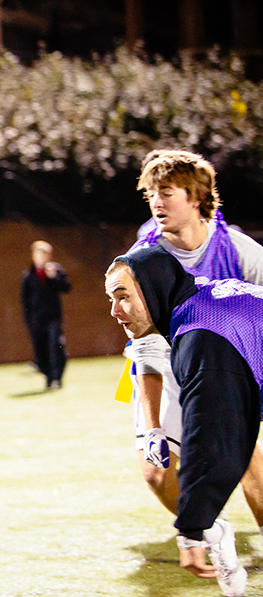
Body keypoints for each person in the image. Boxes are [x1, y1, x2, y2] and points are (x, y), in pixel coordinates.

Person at [123, 150, 263, 596]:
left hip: (230, 355)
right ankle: (204, 530)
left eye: (166, 193)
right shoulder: (143, 259)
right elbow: (142, 350)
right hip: (164, 360)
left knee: (246, 458)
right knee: (156, 467)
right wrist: (150, 429)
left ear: (197, 197)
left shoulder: (242, 253)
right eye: (150, 194)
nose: (156, 202)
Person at [20, 240, 71, 389]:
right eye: (39, 253)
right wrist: (29, 321)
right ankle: (48, 377)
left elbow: (67, 287)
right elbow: (25, 301)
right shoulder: (28, 276)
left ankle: (57, 377)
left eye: (45, 254)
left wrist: (54, 277)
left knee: (56, 345)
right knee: (40, 349)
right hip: (36, 319)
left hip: (53, 317)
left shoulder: (55, 270)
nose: (42, 257)